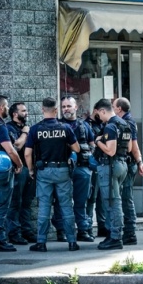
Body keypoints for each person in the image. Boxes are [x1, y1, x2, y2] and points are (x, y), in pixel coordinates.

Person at [24, 97, 81, 252]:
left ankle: (41, 242)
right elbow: (77, 149)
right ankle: (72, 242)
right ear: (56, 110)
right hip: (62, 170)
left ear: (42, 109)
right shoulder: (65, 128)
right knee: (66, 207)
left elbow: (28, 153)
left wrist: (30, 170)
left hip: (44, 171)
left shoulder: (35, 129)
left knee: (44, 206)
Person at [52, 96, 96, 243]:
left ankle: (83, 230)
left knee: (81, 201)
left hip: (82, 169)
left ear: (76, 107)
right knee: (60, 201)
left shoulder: (84, 126)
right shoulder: (57, 126)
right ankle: (61, 230)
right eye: (63, 107)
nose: (66, 109)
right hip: (63, 169)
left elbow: (92, 144)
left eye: (68, 106)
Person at [0, 95, 23, 252]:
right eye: (7, 106)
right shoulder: (1, 126)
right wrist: (19, 164)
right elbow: (10, 150)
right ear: (1, 108)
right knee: (1, 205)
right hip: (3, 170)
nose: (8, 108)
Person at [93, 98, 132, 250]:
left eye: (99, 114)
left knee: (112, 203)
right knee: (116, 201)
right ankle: (113, 235)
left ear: (103, 110)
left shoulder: (110, 126)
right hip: (122, 165)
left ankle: (115, 237)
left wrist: (98, 141)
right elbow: (129, 148)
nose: (99, 117)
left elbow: (110, 150)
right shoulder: (124, 124)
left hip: (110, 166)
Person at [113, 97, 143, 246]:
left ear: (119, 109)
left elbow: (133, 146)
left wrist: (139, 161)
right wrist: (139, 161)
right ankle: (128, 232)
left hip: (127, 163)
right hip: (131, 163)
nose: (112, 109)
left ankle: (130, 233)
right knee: (126, 198)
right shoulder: (129, 121)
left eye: (114, 106)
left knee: (126, 198)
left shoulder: (127, 123)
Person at [5, 102, 37, 245]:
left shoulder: (28, 128)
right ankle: (14, 233)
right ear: (15, 114)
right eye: (23, 111)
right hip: (18, 169)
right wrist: (25, 132)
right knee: (15, 203)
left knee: (27, 202)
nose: (27, 113)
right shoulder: (8, 128)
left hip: (30, 168)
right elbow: (16, 146)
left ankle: (27, 231)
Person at [85, 105, 107, 238]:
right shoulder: (86, 125)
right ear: (95, 111)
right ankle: (87, 226)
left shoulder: (104, 124)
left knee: (102, 197)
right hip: (92, 164)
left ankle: (102, 226)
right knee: (91, 197)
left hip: (101, 163)